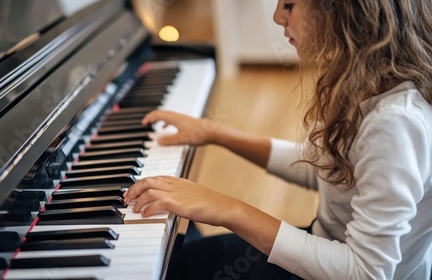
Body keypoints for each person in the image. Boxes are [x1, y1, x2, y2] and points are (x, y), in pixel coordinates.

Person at [123, 0, 432, 279]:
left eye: (289, 4)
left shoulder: (394, 124)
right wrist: (217, 134)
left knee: (178, 265)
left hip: (341, 268)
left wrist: (227, 209)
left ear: (343, 11)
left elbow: (365, 272)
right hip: (327, 248)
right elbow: (331, 172)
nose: (277, 17)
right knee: (179, 247)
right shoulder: (370, 82)